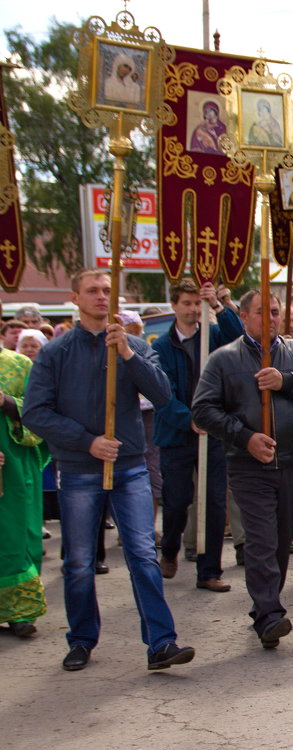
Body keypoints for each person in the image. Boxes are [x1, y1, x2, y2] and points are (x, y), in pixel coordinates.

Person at [23, 269, 193, 672]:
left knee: (142, 555)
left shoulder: (133, 344)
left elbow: (163, 394)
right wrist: (87, 441)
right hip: (80, 469)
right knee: (79, 561)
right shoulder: (55, 352)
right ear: (75, 298)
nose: (101, 296)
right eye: (93, 291)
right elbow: (35, 412)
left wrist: (129, 357)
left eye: (106, 290)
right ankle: (81, 638)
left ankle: (161, 643)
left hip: (130, 466)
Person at [191, 290, 293, 648]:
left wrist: (284, 380)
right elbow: (203, 409)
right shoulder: (224, 359)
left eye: (274, 312)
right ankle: (271, 613)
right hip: (249, 464)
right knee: (260, 538)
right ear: (243, 316)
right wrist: (245, 437)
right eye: (261, 313)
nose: (269, 319)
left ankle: (263, 608)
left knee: (282, 539)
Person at [152, 279, 244, 592]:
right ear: (174, 305)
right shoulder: (161, 347)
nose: (193, 310)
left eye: (197, 304)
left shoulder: (213, 336)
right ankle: (169, 549)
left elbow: (240, 338)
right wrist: (188, 419)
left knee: (215, 502)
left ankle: (209, 570)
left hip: (214, 432)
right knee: (177, 502)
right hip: (177, 436)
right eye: (187, 304)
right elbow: (162, 392)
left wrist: (219, 306)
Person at [0, 344, 50, 638]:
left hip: (14, 468)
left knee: (15, 536)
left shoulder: (19, 365)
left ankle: (19, 612)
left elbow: (38, 410)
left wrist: (6, 401)